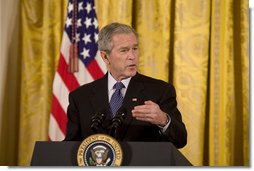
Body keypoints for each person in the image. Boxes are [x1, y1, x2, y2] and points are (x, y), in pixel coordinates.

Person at [64, 22, 187, 148]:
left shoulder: (160, 91)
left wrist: (163, 120)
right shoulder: (80, 97)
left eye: (135, 48)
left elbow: (180, 140)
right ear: (105, 57)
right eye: (124, 50)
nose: (132, 56)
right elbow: (70, 148)